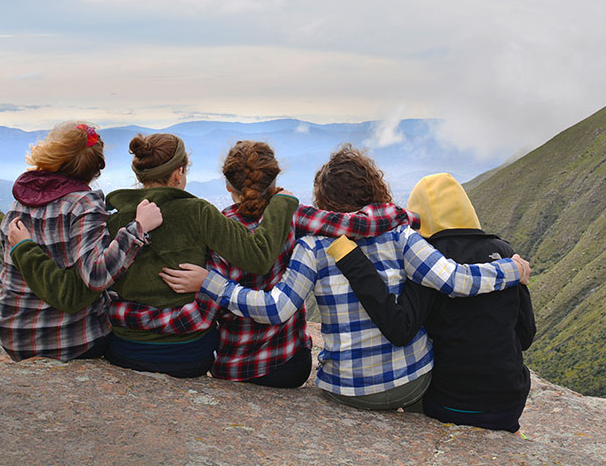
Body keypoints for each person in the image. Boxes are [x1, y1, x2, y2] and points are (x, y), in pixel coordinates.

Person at [181, 144, 530, 410]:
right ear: (373, 188)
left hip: (344, 388)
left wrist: (212, 283)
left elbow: (275, 309)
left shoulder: (314, 245)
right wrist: (510, 269)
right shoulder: (400, 233)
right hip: (412, 381)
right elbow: (455, 281)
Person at [109, 139, 419, 388]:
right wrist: (411, 217)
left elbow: (199, 318)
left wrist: (123, 313)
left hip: (233, 367)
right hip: (290, 366)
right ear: (273, 180)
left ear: (229, 187)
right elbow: (357, 225)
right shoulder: (296, 217)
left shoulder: (216, 228)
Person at [9, 133, 300, 377]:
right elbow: (259, 257)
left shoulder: (112, 215)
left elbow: (92, 279)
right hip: (187, 354)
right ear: (179, 173)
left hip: (124, 349)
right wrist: (281, 204)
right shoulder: (197, 212)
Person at [330, 173, 535, 433]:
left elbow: (401, 328)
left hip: (448, 405)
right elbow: (526, 336)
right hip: (509, 406)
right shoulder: (505, 254)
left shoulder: (426, 261)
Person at [0, 121, 164, 362]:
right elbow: (96, 275)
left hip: (12, 333)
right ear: (95, 170)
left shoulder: (20, 202)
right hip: (71, 339)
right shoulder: (84, 205)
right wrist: (138, 228)